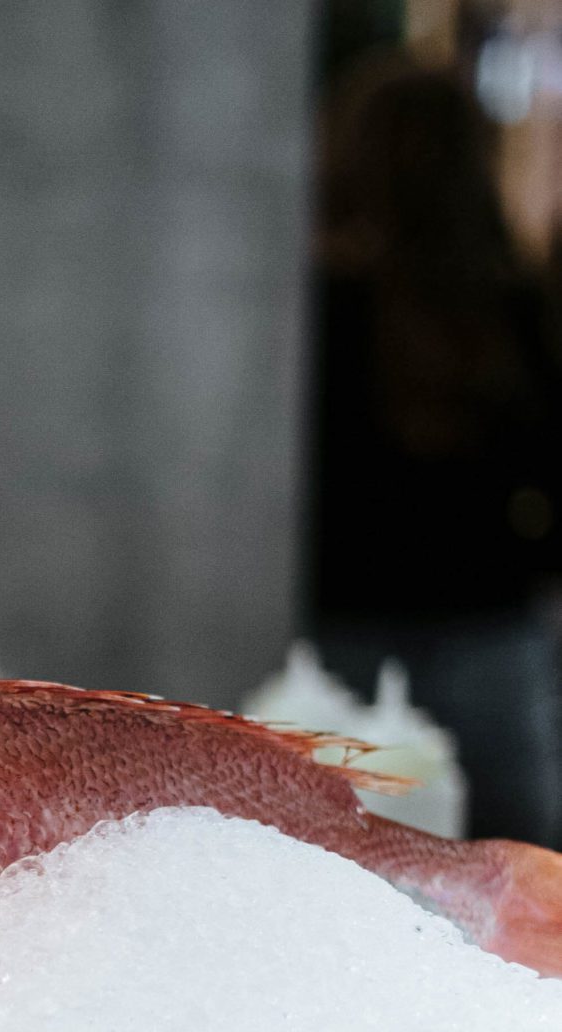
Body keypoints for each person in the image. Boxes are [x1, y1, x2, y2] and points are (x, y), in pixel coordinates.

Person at [309, 51, 562, 844]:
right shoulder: (511, 305)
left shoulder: (311, 308)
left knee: (336, 857)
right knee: (515, 860)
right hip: (487, 615)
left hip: (337, 614)